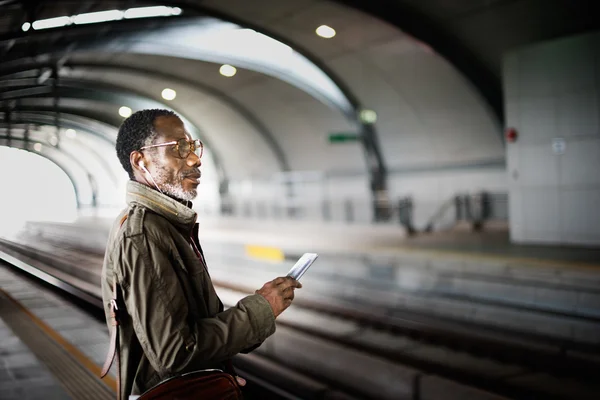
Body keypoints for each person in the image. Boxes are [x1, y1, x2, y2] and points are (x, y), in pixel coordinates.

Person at [101, 109, 301, 399]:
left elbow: (200, 323)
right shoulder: (144, 234)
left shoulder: (168, 225)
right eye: (179, 148)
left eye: (193, 147)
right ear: (140, 160)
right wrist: (260, 310)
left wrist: (262, 307)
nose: (195, 159)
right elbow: (175, 354)